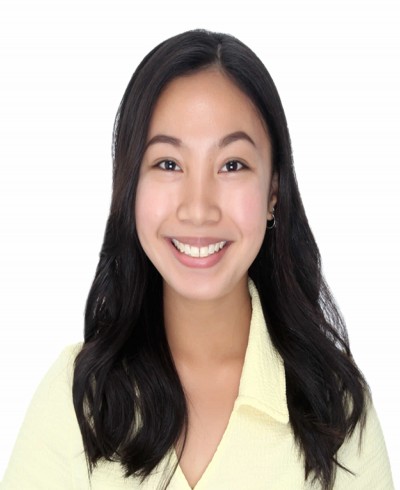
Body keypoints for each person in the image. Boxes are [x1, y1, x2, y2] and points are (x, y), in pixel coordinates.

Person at [1, 28, 394, 490]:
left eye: (232, 165)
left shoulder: (335, 406)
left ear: (273, 191)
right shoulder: (77, 399)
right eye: (168, 164)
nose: (199, 208)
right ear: (130, 186)